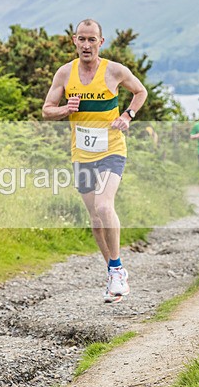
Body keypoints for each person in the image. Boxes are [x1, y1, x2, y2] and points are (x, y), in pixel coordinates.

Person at [42, 19, 147, 303]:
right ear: (74, 41)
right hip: (82, 154)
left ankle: (117, 270)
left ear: (101, 42)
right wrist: (65, 108)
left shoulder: (114, 70)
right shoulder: (65, 73)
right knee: (95, 219)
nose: (86, 45)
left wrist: (127, 116)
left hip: (112, 149)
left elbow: (140, 92)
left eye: (92, 40)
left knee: (104, 205)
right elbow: (46, 110)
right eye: (82, 39)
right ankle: (113, 271)